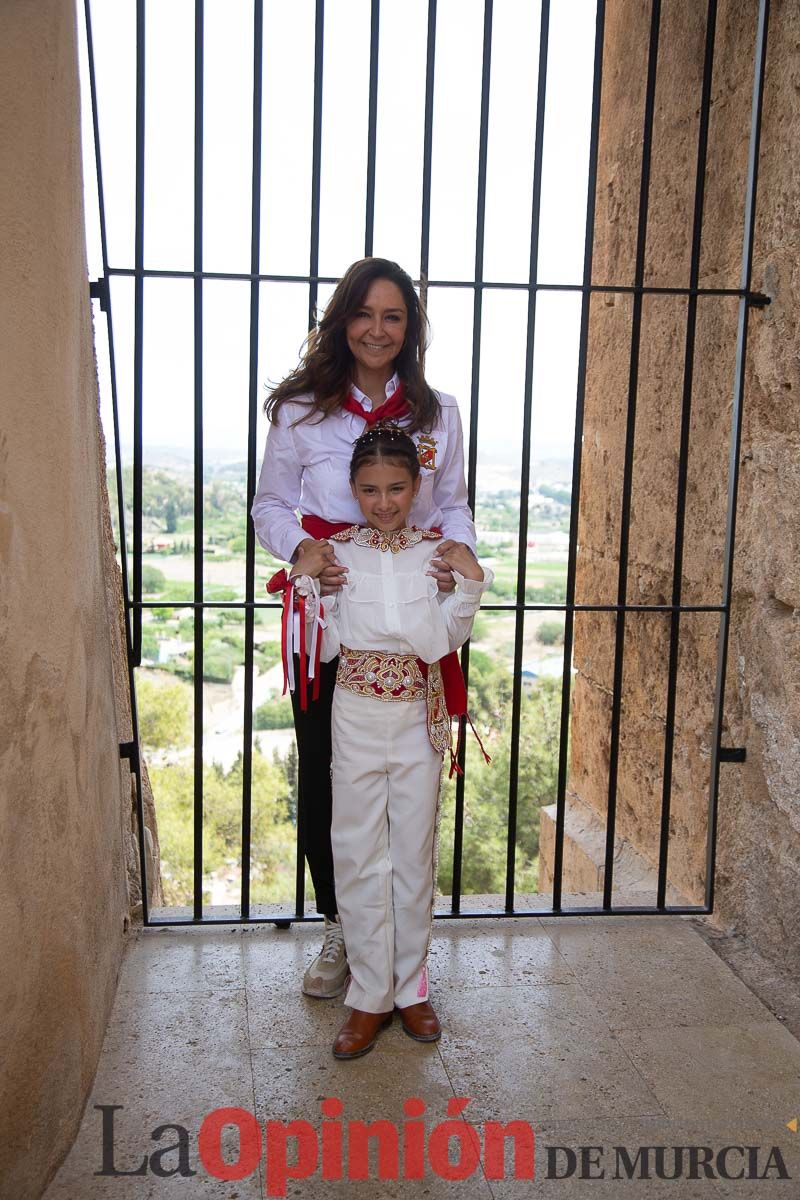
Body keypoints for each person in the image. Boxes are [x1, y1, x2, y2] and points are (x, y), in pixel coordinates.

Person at [251, 257, 477, 999]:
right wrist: (303, 550)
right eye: (364, 314)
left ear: (409, 329)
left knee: (409, 785)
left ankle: (404, 955)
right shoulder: (300, 412)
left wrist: (459, 552)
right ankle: (341, 928)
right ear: (342, 320)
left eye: (394, 317)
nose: (377, 330)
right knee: (327, 776)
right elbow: (270, 507)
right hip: (330, 614)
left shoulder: (437, 411)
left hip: (409, 612)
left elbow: (453, 506)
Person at [282, 425, 492, 1057]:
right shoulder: (335, 554)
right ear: (352, 490)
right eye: (370, 489)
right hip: (355, 714)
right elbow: (318, 641)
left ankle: (411, 989)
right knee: (356, 850)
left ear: (416, 486)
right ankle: (368, 995)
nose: (383, 500)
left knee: (412, 850)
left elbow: (448, 638)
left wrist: (471, 584)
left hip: (415, 718)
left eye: (396, 487)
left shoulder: (435, 553)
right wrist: (305, 579)